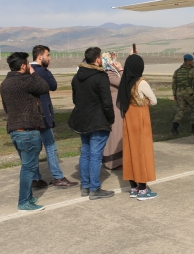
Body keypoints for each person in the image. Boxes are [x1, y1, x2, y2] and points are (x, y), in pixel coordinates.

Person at [0, 51, 50, 212]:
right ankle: (24, 202)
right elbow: (44, 87)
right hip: (28, 131)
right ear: (23, 66)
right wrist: (34, 73)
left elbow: (6, 108)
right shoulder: (26, 80)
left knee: (26, 166)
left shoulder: (5, 83)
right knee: (29, 168)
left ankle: (28, 197)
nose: (30, 66)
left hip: (15, 129)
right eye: (28, 64)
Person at [68, 47, 116, 200]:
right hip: (98, 120)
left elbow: (75, 100)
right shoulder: (100, 77)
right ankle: (94, 188)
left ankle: (86, 186)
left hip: (82, 120)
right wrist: (110, 120)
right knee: (95, 155)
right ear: (97, 59)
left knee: (85, 153)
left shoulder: (76, 77)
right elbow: (107, 103)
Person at [30, 45, 78, 189]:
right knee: (51, 147)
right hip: (43, 116)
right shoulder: (42, 71)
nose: (49, 58)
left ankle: (35, 178)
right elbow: (53, 85)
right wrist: (47, 71)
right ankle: (58, 177)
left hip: (31, 116)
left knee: (34, 149)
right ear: (40, 57)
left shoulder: (26, 72)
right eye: (48, 55)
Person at [117, 54, 158, 200]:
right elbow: (154, 100)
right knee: (142, 152)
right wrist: (145, 101)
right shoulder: (141, 83)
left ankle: (133, 187)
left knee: (130, 151)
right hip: (140, 119)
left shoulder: (125, 81)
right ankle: (142, 189)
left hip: (128, 119)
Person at [102, 51, 124, 169]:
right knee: (115, 132)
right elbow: (123, 82)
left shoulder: (110, 71)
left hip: (117, 104)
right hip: (114, 106)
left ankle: (118, 159)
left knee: (118, 131)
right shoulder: (108, 73)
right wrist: (121, 69)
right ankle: (112, 161)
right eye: (112, 58)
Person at [171, 54, 194, 135]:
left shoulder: (177, 71)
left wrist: (174, 94)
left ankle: (174, 127)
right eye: (191, 61)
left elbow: (174, 84)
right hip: (190, 94)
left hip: (179, 94)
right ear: (189, 61)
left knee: (180, 110)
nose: (192, 62)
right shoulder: (193, 71)